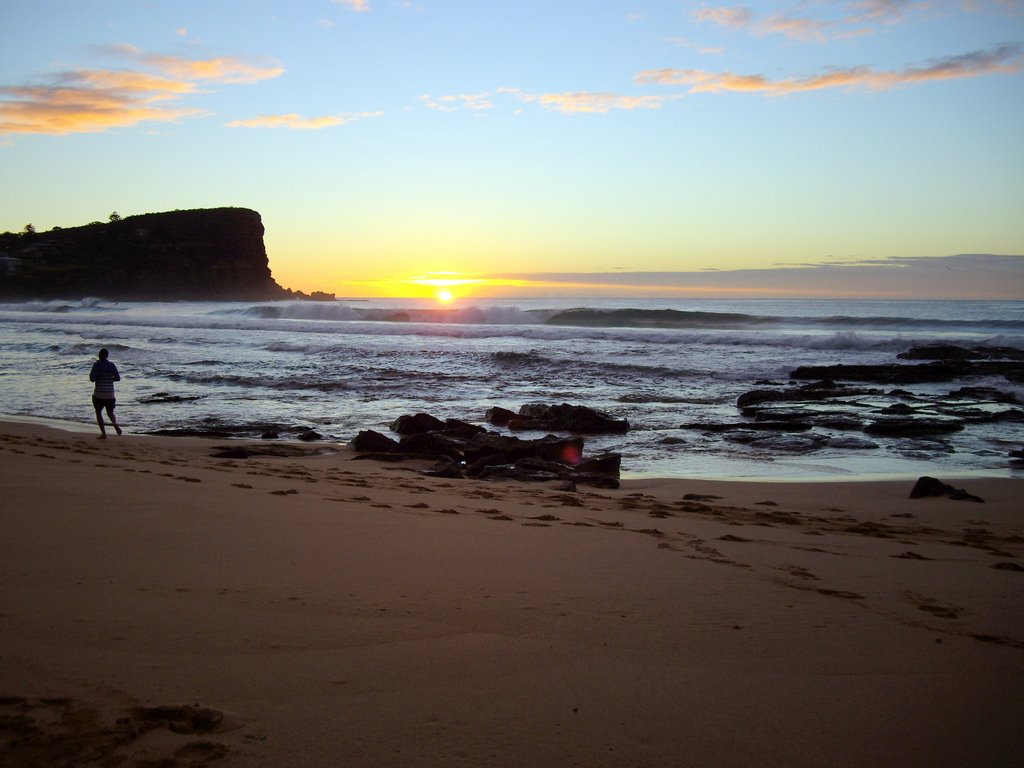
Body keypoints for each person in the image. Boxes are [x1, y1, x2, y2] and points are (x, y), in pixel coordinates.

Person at [90, 348, 122, 439]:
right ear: (107, 356)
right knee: (110, 413)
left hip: (99, 394)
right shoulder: (112, 365)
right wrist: (109, 379)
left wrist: (99, 377)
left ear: (99, 355)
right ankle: (115, 426)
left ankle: (104, 434)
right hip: (110, 394)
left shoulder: (96, 365)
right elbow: (118, 378)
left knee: (98, 412)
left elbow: (92, 379)